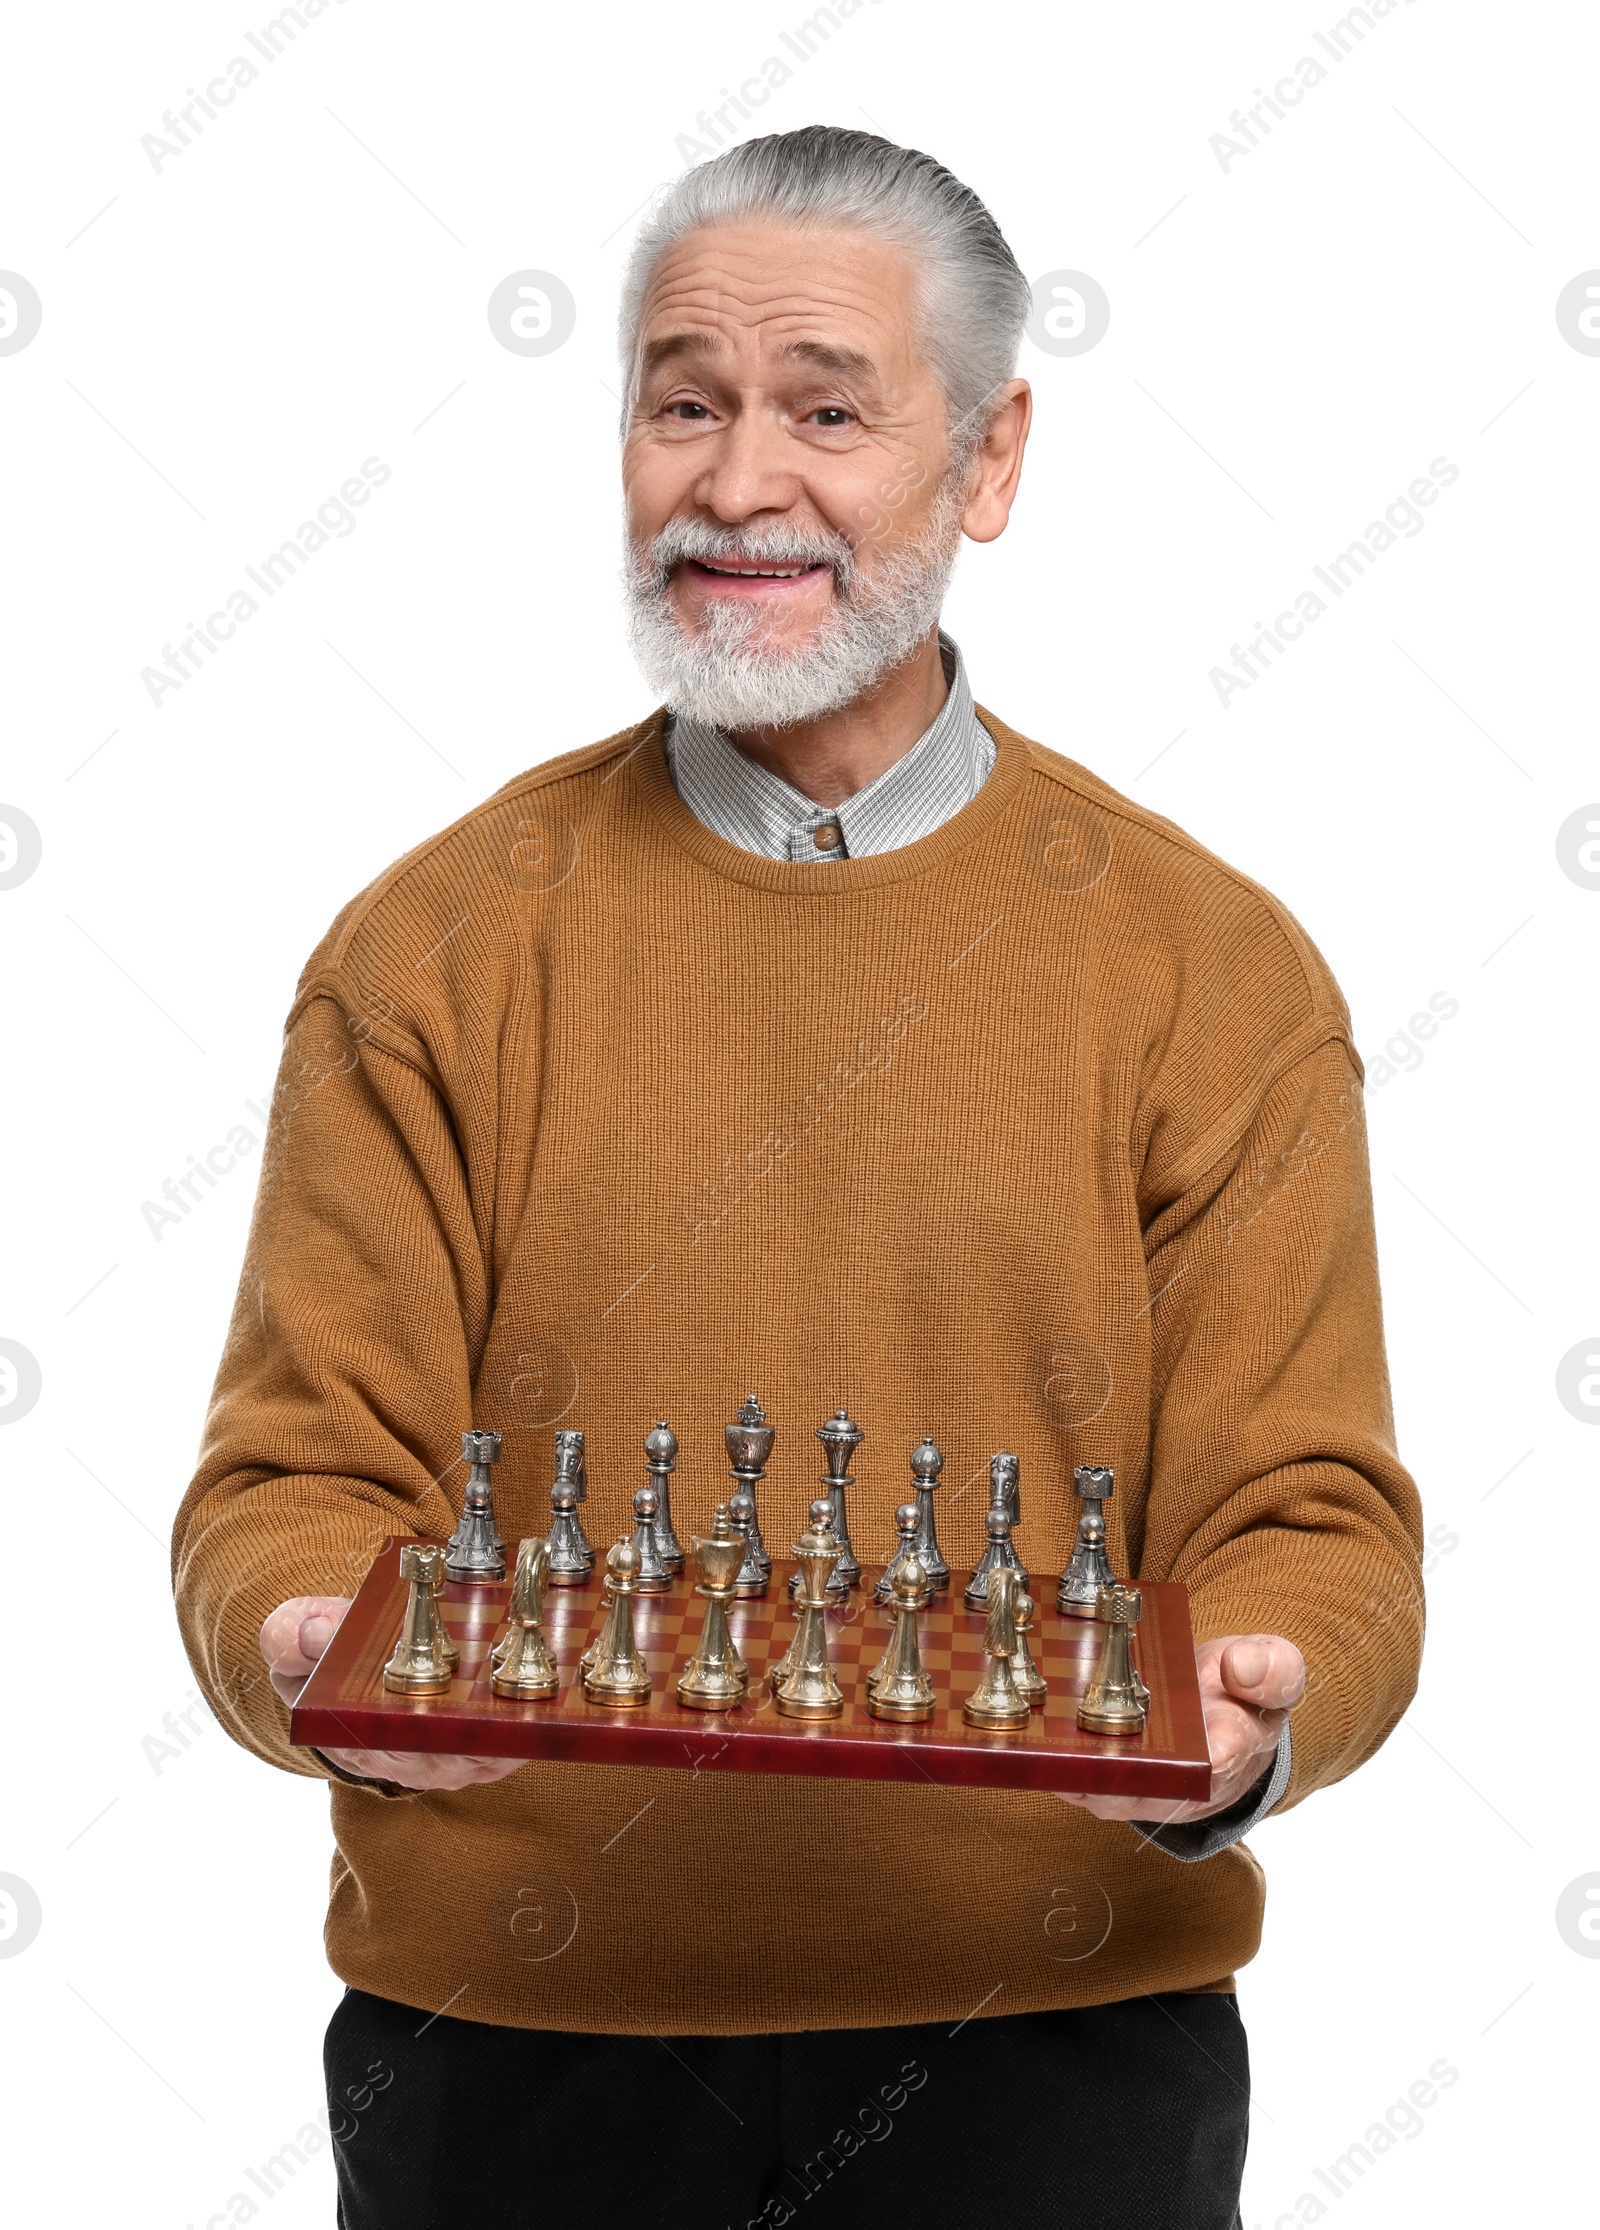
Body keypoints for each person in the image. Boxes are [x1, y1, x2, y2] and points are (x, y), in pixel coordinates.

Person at [173, 127, 1423, 2229]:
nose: (737, 484)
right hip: (510, 2064)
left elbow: (1312, 1523)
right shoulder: (430, 949)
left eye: (824, 408)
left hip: (1054, 2069)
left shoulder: (1206, 967)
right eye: (682, 401)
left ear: (988, 456)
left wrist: (1266, 1693)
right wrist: (297, 1637)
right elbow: (285, 1490)